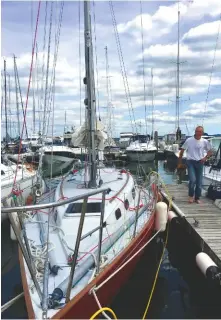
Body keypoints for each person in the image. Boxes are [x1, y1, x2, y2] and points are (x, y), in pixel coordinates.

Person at [178, 126, 212, 204]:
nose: (198, 133)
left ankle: (197, 198)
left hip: (200, 162)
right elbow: (182, 151)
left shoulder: (205, 141)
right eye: (197, 131)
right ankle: (190, 196)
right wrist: (179, 163)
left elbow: (210, 151)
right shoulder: (189, 140)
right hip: (190, 162)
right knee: (193, 180)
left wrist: (205, 158)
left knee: (199, 182)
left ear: (202, 133)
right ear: (195, 131)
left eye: (200, 132)